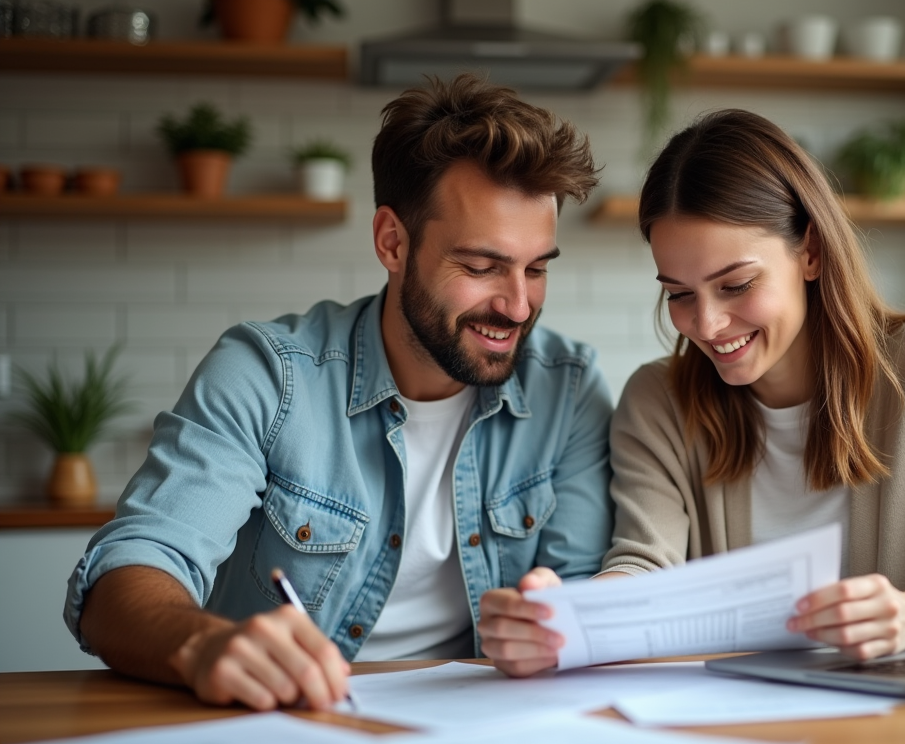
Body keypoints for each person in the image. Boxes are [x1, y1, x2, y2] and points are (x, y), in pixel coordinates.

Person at [65, 75, 614, 710]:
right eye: (481, 267)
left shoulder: (568, 389)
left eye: (537, 268)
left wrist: (562, 623)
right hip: (286, 722)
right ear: (392, 242)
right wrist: (201, 643)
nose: (518, 306)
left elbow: (585, 595)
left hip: (481, 723)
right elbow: (128, 574)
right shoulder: (266, 375)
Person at [479, 109, 905, 678]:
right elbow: (644, 564)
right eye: (679, 294)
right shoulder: (658, 401)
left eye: (736, 285)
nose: (706, 324)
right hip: (738, 716)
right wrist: (567, 619)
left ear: (810, 252)